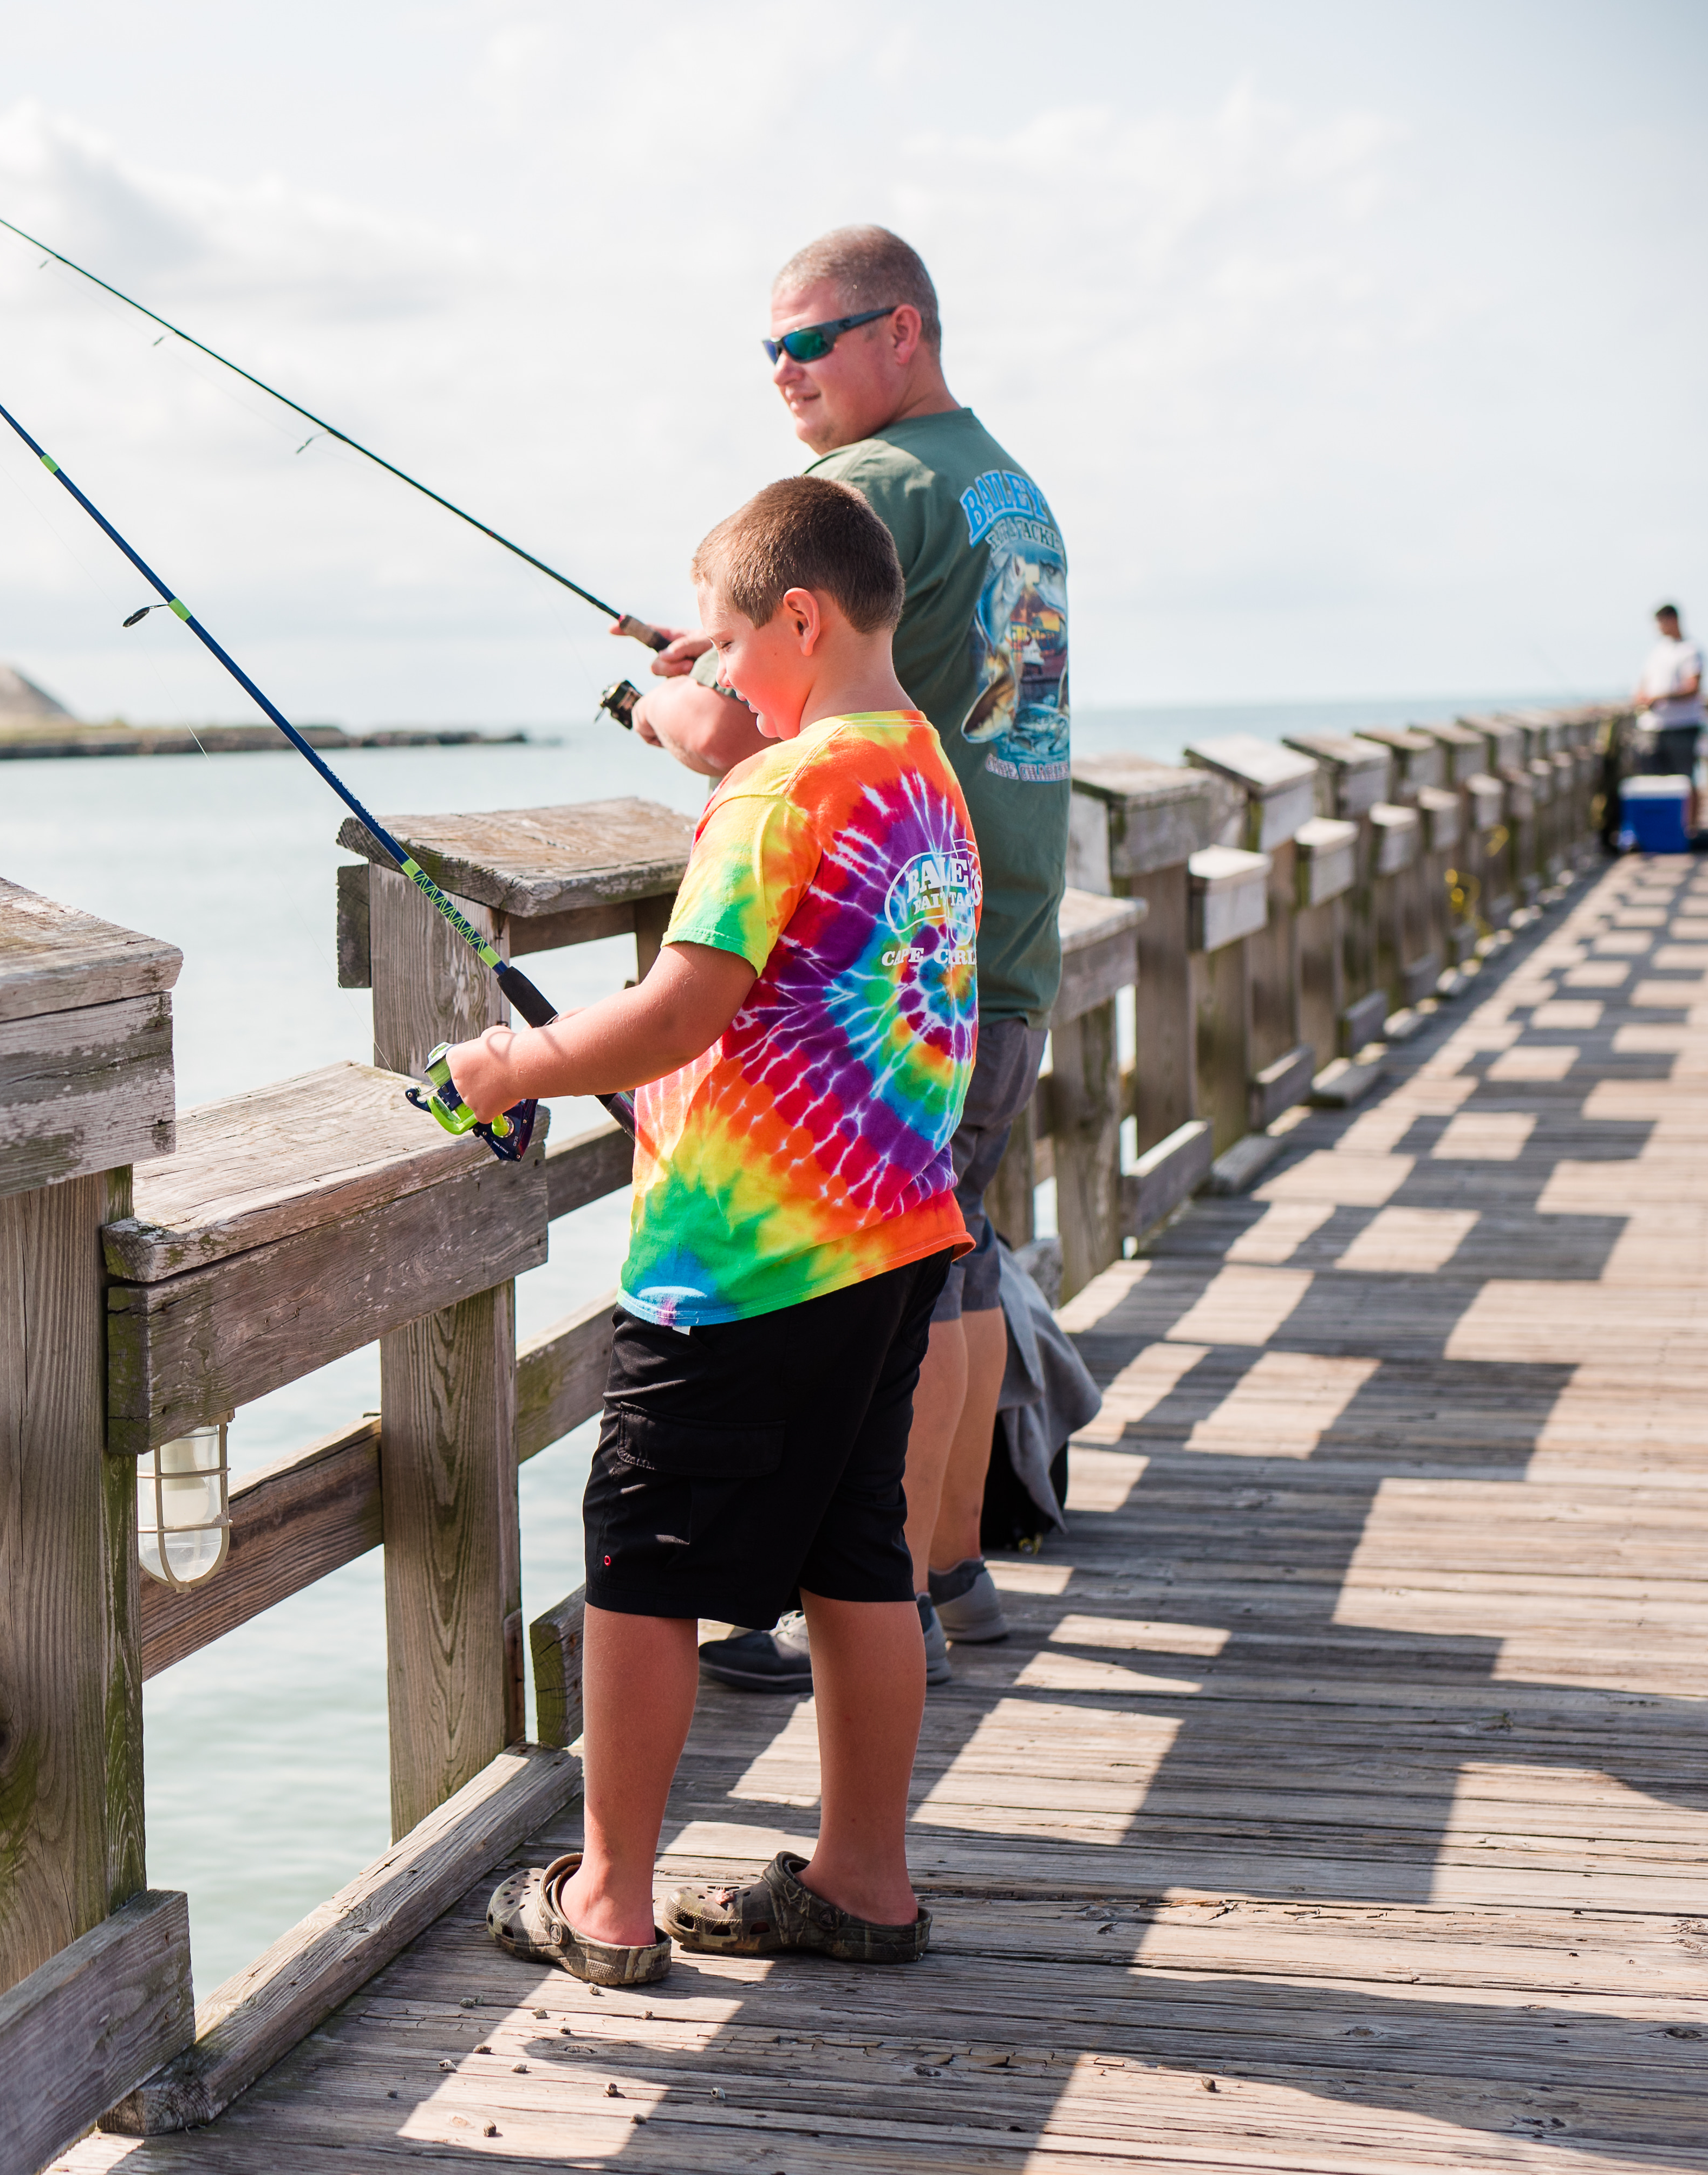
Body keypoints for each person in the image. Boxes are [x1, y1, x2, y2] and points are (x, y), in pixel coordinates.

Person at [460, 474, 976, 1982]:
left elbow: (684, 1005)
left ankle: (607, 1900)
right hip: (893, 1237)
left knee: (640, 1552)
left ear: (801, 620)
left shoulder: (775, 793)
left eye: (736, 643)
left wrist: (511, 1064)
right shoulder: (917, 767)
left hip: (742, 1262)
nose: (724, 675)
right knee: (852, 1550)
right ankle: (863, 1881)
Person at [649, 226, 1069, 1694]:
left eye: (813, 341)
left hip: (876, 960)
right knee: (943, 1257)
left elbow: (750, 738)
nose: (785, 372)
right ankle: (946, 1575)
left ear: (905, 332)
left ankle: (856, 1592)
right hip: (994, 930)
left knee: (858, 1286)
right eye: (770, 347)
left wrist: (676, 707)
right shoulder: (1002, 483)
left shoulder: (867, 485)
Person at [1637, 603, 1708, 833]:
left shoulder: (1691, 649)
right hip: (1653, 727)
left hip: (1683, 726)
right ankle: (1660, 830)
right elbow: (1644, 684)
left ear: (1673, 620)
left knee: (1686, 779)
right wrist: (1642, 698)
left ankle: (1691, 829)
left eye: (1662, 622)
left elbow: (1693, 687)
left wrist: (1661, 696)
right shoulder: (1657, 651)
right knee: (1654, 782)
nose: (1659, 628)